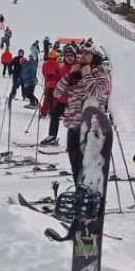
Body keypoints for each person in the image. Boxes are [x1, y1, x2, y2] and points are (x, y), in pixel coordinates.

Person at [54, 44, 112, 179]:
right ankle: (79, 191)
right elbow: (57, 93)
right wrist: (69, 75)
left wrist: (87, 74)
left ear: (95, 57)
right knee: (75, 164)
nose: (83, 56)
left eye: (87, 54)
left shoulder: (101, 73)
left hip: (91, 127)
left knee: (87, 164)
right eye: (82, 53)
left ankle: (89, 193)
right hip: (73, 125)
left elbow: (97, 92)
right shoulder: (75, 74)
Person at [39, 46, 75, 146]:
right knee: (55, 115)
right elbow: (59, 81)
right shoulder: (62, 68)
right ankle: (52, 136)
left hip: (75, 98)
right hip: (63, 98)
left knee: (75, 120)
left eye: (71, 55)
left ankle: (76, 142)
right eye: (67, 56)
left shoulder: (77, 67)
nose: (69, 58)